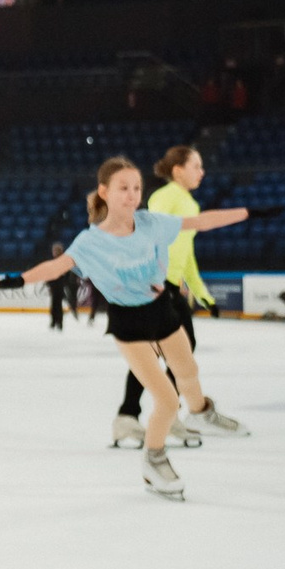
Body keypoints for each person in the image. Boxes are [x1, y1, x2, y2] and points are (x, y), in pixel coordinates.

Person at [16, 157, 251, 501]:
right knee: (168, 400)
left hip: (161, 305)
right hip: (130, 319)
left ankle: (197, 412)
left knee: (187, 367)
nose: (132, 195)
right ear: (104, 192)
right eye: (123, 188)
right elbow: (58, 265)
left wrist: (243, 215)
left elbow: (187, 230)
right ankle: (153, 454)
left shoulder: (150, 222)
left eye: (136, 188)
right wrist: (15, 279)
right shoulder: (92, 240)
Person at [110, 146, 238, 449]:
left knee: (170, 352)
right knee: (164, 353)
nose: (202, 171)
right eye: (196, 165)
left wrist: (202, 294)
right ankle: (147, 416)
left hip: (169, 286)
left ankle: (139, 415)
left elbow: (186, 253)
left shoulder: (188, 203)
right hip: (155, 285)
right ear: (178, 170)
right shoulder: (167, 197)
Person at [45, 244, 79, 332]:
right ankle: (53, 322)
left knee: (58, 305)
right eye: (54, 251)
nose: (55, 253)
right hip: (54, 286)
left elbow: (67, 275)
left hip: (60, 286)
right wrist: (48, 284)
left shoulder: (63, 262)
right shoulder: (52, 262)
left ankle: (59, 322)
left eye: (56, 251)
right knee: (54, 305)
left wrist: (65, 283)